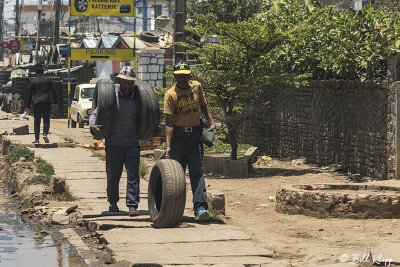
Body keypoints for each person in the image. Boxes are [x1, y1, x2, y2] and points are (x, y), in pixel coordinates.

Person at [161, 61, 216, 222]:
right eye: (179, 76)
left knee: (197, 172)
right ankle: (173, 210)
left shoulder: (197, 87)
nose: (182, 79)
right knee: (176, 175)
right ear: (175, 77)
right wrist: (169, 145)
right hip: (178, 136)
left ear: (189, 75)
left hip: (195, 136)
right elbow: (169, 122)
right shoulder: (170, 94)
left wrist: (211, 122)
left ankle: (201, 208)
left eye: (185, 76)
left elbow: (204, 105)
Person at [89, 66, 142, 217]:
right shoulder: (110, 98)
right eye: (125, 83)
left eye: (131, 83)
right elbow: (95, 114)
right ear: (119, 81)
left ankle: (132, 206)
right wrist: (93, 126)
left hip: (132, 144)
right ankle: (113, 202)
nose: (128, 86)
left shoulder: (138, 100)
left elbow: (146, 117)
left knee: (133, 176)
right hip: (113, 145)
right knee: (113, 176)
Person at [25, 63, 58, 144]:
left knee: (37, 121)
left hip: (37, 103)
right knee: (46, 119)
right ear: (43, 71)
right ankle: (45, 133)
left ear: (35, 72)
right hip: (47, 102)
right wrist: (55, 103)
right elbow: (54, 92)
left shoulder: (33, 81)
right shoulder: (48, 79)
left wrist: (27, 106)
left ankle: (36, 140)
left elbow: (30, 95)